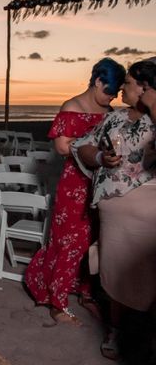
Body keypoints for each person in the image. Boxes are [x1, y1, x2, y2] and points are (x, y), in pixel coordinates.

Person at [24, 58, 126, 325]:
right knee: (69, 241)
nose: (111, 97)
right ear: (97, 81)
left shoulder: (110, 111)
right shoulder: (72, 106)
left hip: (100, 183)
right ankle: (57, 303)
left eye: (115, 93)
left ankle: (86, 291)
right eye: (108, 91)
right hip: (75, 185)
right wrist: (92, 150)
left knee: (94, 239)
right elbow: (60, 147)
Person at [73, 60, 156, 360]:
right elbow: (80, 146)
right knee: (114, 271)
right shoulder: (114, 117)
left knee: (146, 273)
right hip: (112, 214)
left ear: (146, 88)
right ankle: (116, 328)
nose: (122, 86)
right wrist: (98, 156)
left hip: (148, 217)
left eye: (130, 81)